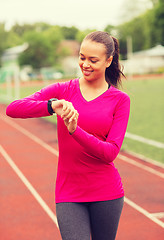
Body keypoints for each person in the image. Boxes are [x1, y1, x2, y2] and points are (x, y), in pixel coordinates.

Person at [6, 31, 130, 240]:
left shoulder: (120, 100)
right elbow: (13, 108)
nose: (85, 64)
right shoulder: (63, 90)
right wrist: (53, 105)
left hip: (107, 192)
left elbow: (110, 153)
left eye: (93, 60)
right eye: (82, 57)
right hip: (69, 192)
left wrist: (75, 131)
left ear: (109, 61)